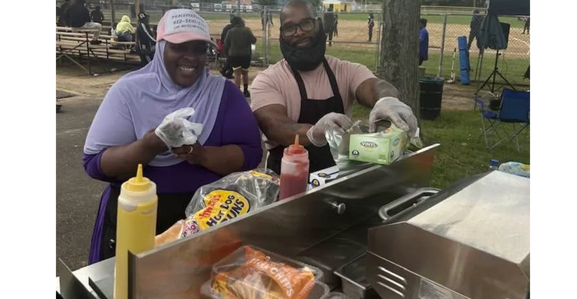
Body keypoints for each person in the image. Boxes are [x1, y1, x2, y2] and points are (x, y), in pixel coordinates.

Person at [83, 9, 263, 264]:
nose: (191, 57)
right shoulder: (129, 91)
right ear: (161, 48)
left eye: (199, 48)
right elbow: (94, 164)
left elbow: (251, 154)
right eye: (179, 47)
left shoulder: (223, 93)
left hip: (208, 222)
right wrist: (148, 146)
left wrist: (201, 155)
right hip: (140, 222)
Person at [250, 0, 417, 175]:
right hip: (287, 180)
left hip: (338, 179)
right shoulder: (268, 80)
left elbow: (376, 86)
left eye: (306, 24)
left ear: (319, 25)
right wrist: (316, 132)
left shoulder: (345, 71)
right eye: (289, 28)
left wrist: (386, 100)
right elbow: (275, 126)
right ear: (281, 34)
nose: (298, 33)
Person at [224, 16, 257, 97]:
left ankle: (237, 91)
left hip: (234, 55)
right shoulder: (247, 30)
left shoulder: (230, 31)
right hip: (245, 55)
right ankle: (245, 91)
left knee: (237, 74)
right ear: (240, 22)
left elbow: (226, 43)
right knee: (245, 73)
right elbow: (254, 41)